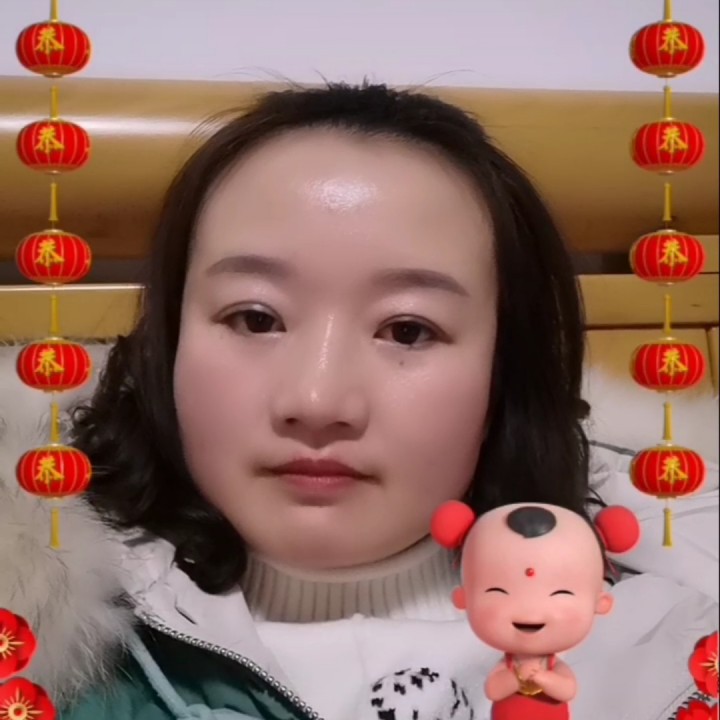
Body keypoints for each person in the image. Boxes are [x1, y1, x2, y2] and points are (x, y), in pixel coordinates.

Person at [1, 83, 717, 720]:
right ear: (166, 350)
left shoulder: (672, 650)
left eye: (408, 330)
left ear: (505, 374)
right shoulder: (38, 643)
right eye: (255, 318)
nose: (317, 401)